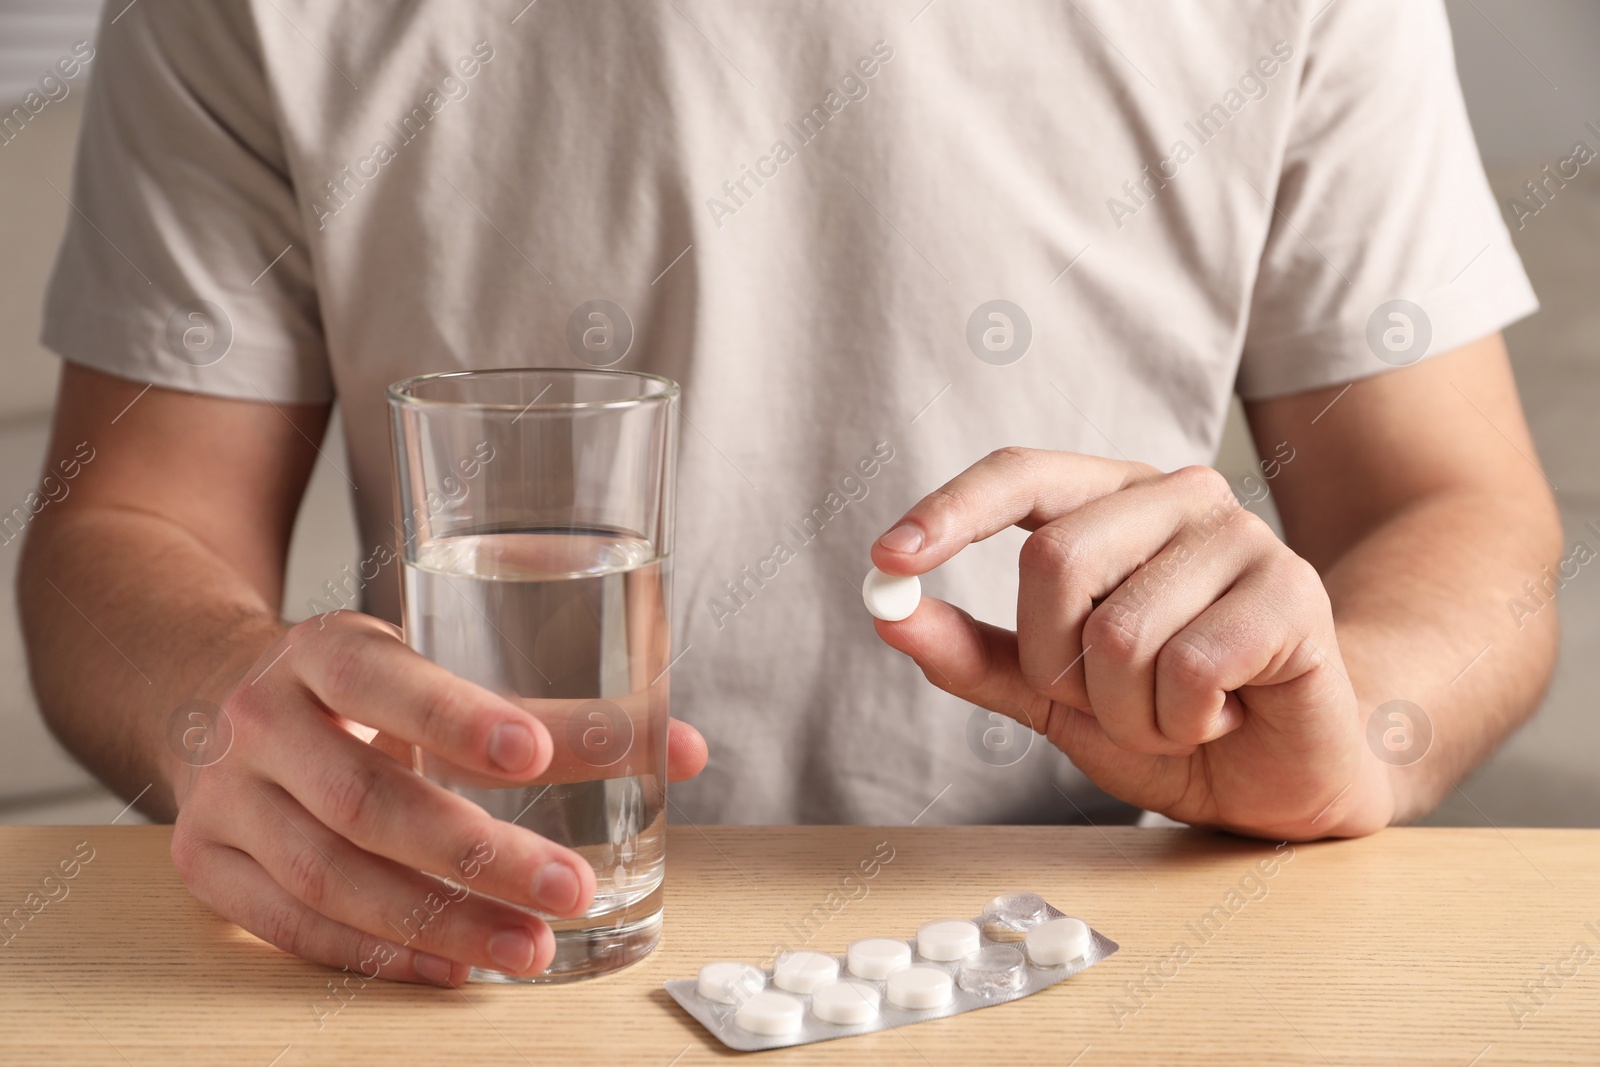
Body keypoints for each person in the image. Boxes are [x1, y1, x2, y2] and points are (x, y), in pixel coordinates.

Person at [19, 0, 1559, 987]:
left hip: (1097, 951)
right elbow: (124, 527)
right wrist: (225, 711)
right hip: (479, 961)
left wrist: (1353, 733)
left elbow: (1461, 514)